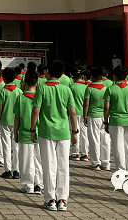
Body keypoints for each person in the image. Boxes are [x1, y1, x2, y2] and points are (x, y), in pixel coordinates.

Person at [31, 60, 78, 212]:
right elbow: (73, 113)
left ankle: (50, 199)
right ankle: (62, 199)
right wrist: (75, 132)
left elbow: (36, 110)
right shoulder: (66, 89)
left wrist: (33, 129)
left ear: (48, 73)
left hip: (46, 132)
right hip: (64, 132)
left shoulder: (42, 88)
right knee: (63, 166)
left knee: (48, 165)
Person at [104, 65, 128, 177]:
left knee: (118, 148)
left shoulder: (110, 89)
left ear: (114, 76)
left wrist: (105, 121)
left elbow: (106, 108)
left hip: (116, 121)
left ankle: (121, 173)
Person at [14, 71, 42, 195]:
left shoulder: (20, 97)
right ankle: (39, 184)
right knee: (39, 159)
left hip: (25, 132)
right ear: (37, 84)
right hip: (40, 131)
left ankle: (28, 185)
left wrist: (15, 132)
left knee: (26, 160)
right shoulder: (41, 97)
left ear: (24, 83)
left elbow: (17, 117)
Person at [0, 67, 22, 179]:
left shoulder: (2, 91)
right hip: (16, 121)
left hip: (5, 120)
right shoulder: (19, 91)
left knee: (6, 145)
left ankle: (7, 170)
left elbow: (0, 108)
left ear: (4, 79)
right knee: (16, 146)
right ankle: (16, 170)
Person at [83, 68, 110, 171]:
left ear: (92, 77)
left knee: (94, 139)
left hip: (93, 116)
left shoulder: (89, 88)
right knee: (105, 140)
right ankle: (106, 163)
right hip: (104, 115)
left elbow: (86, 104)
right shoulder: (105, 88)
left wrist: (85, 116)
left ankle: (95, 163)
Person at [69, 70, 89, 162]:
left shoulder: (72, 86)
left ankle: (75, 153)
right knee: (84, 134)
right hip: (84, 112)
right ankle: (85, 154)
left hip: (74, 112)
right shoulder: (87, 87)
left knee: (74, 131)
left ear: (74, 79)